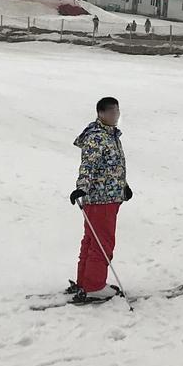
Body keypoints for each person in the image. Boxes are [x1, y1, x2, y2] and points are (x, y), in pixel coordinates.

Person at [67, 96, 132, 304]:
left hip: (111, 194)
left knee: (92, 240)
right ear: (101, 113)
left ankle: (85, 281)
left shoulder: (110, 134)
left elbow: (112, 165)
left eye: (118, 111)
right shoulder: (97, 137)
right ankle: (94, 286)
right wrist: (81, 188)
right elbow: (88, 165)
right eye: (112, 112)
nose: (116, 115)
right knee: (102, 241)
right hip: (100, 198)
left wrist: (124, 186)